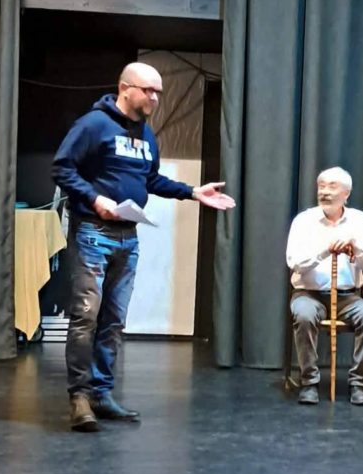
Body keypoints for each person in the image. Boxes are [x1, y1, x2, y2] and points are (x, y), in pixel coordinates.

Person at [53, 61, 236, 432]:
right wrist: (95, 198)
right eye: (148, 90)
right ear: (125, 88)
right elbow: (62, 168)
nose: (155, 98)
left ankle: (101, 393)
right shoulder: (93, 125)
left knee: (113, 321)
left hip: (128, 237)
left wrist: (191, 192)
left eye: (158, 93)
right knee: (86, 318)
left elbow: (150, 180)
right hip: (93, 233)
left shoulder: (146, 135)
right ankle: (79, 397)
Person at [285, 167, 363, 406]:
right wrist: (324, 251)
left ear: (346, 193)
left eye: (332, 186)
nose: (325, 192)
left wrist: (355, 246)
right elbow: (294, 263)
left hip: (348, 296)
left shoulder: (359, 220)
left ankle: (359, 383)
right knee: (305, 315)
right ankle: (309, 382)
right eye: (321, 186)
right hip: (309, 294)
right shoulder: (304, 221)